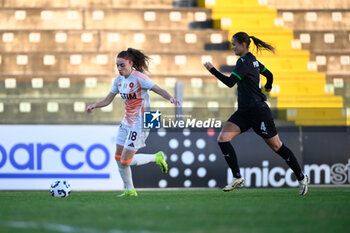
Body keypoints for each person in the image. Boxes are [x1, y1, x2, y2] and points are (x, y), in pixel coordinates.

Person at [203, 32, 309, 195]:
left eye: (234, 44)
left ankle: (301, 177)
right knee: (223, 139)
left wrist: (212, 70)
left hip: (259, 112)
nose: (233, 47)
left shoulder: (244, 62)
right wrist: (269, 86)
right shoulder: (253, 60)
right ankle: (237, 177)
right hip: (244, 112)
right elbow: (269, 74)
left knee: (277, 146)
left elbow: (230, 82)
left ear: (244, 44)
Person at [87, 48, 180, 197]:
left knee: (125, 160)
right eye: (117, 65)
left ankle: (157, 157)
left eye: (122, 65)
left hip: (144, 119)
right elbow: (107, 99)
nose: (119, 68)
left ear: (130, 64)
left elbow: (158, 89)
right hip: (127, 120)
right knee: (118, 157)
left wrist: (171, 98)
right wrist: (94, 105)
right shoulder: (118, 80)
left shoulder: (139, 77)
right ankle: (130, 190)